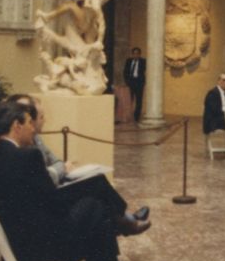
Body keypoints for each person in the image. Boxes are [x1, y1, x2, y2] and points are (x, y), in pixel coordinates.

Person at [0, 101, 143, 261]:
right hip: (37, 251)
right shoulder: (29, 158)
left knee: (96, 211)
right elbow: (55, 204)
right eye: (30, 123)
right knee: (96, 210)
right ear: (17, 125)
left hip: (9, 248)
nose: (34, 128)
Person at [8, 93, 150, 238]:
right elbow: (47, 176)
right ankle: (126, 221)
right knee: (97, 187)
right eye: (34, 115)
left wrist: (58, 169)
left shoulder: (35, 138)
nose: (36, 120)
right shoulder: (19, 148)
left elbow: (56, 161)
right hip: (48, 201)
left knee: (96, 185)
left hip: (54, 187)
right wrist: (60, 169)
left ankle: (122, 224)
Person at [123, 46, 147, 122]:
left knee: (138, 101)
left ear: (139, 54)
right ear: (132, 54)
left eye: (137, 54)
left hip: (139, 82)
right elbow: (125, 71)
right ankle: (128, 116)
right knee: (129, 100)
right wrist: (127, 81)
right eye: (134, 54)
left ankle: (137, 117)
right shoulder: (129, 61)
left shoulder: (143, 61)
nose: (135, 55)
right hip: (131, 82)